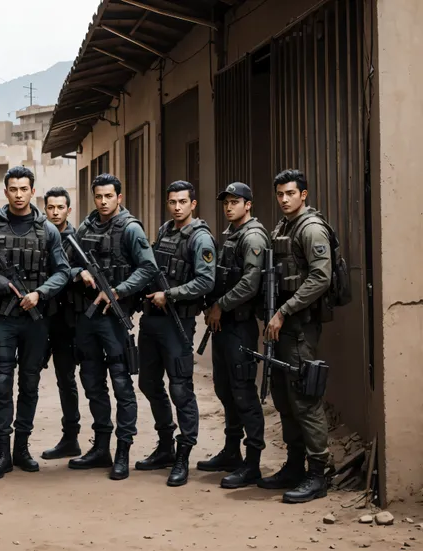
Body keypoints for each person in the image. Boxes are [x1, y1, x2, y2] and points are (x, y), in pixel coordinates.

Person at [0, 166, 70, 480]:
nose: (19, 194)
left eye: (24, 189)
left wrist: (40, 293)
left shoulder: (48, 229)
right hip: (1, 319)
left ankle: (22, 448)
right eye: (13, 189)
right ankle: (2, 453)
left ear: (32, 191)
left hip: (36, 320)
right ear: (6, 191)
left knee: (30, 384)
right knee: (1, 385)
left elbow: (63, 272)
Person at [68, 173, 158, 481]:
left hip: (115, 319)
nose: (103, 202)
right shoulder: (86, 227)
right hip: (88, 319)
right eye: (98, 196)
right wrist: (80, 272)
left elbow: (148, 268)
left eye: (109, 196)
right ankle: (101, 446)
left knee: (121, 384)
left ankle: (123, 451)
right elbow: (67, 263)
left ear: (119, 197)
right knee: (92, 382)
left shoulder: (131, 229)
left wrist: (117, 291)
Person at [259, 169, 332, 504]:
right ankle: (294, 466)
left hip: (300, 327)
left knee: (304, 399)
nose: (284, 199)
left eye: (291, 193)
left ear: (304, 194)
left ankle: (319, 473)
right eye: (280, 194)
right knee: (284, 398)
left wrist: (284, 311)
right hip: (283, 327)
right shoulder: (284, 227)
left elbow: (320, 277)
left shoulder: (311, 228)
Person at [136, 180, 216, 487]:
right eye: (172, 202)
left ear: (193, 204)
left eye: (183, 201)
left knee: (180, 389)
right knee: (148, 382)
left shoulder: (201, 239)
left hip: (178, 323)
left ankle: (184, 454)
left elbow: (205, 282)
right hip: (153, 321)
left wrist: (169, 296)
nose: (177, 207)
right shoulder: (165, 231)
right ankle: (166, 445)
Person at [197, 182, 269, 489]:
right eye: (226, 202)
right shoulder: (232, 234)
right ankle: (231, 451)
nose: (229, 206)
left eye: (235, 201)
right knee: (225, 389)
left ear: (248, 204)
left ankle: (252, 463)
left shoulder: (252, 236)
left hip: (239, 326)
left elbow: (250, 284)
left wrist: (219, 306)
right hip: (224, 326)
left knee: (243, 392)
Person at [40, 187, 81, 460]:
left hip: (68, 321)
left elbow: (89, 267)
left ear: (69, 209)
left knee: (67, 379)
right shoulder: (39, 234)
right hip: (41, 318)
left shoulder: (79, 239)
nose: (55, 212)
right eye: (51, 207)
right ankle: (17, 445)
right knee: (26, 378)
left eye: (60, 207)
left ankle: (71, 438)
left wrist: (75, 272)